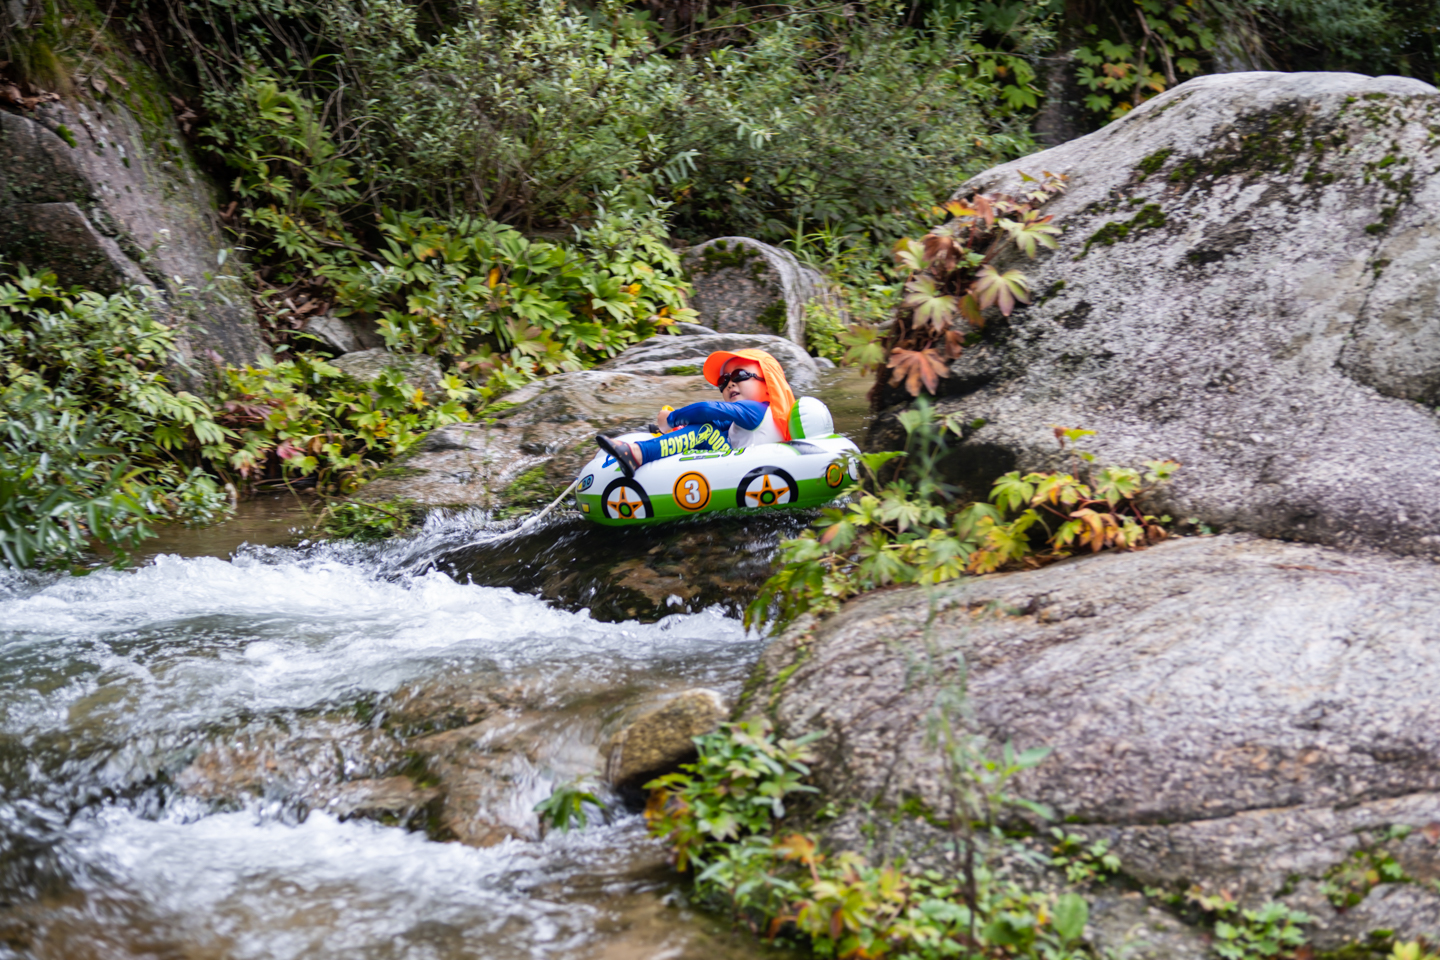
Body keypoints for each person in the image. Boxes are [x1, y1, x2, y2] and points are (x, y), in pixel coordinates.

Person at [595, 349, 796, 478]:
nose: (729, 384)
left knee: (706, 431)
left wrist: (671, 419)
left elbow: (706, 410)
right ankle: (661, 444)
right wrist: (682, 427)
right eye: (723, 381)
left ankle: (638, 454)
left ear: (769, 384)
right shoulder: (756, 416)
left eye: (739, 375)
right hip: (743, 465)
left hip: (744, 470)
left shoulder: (756, 409)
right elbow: (720, 422)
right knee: (711, 427)